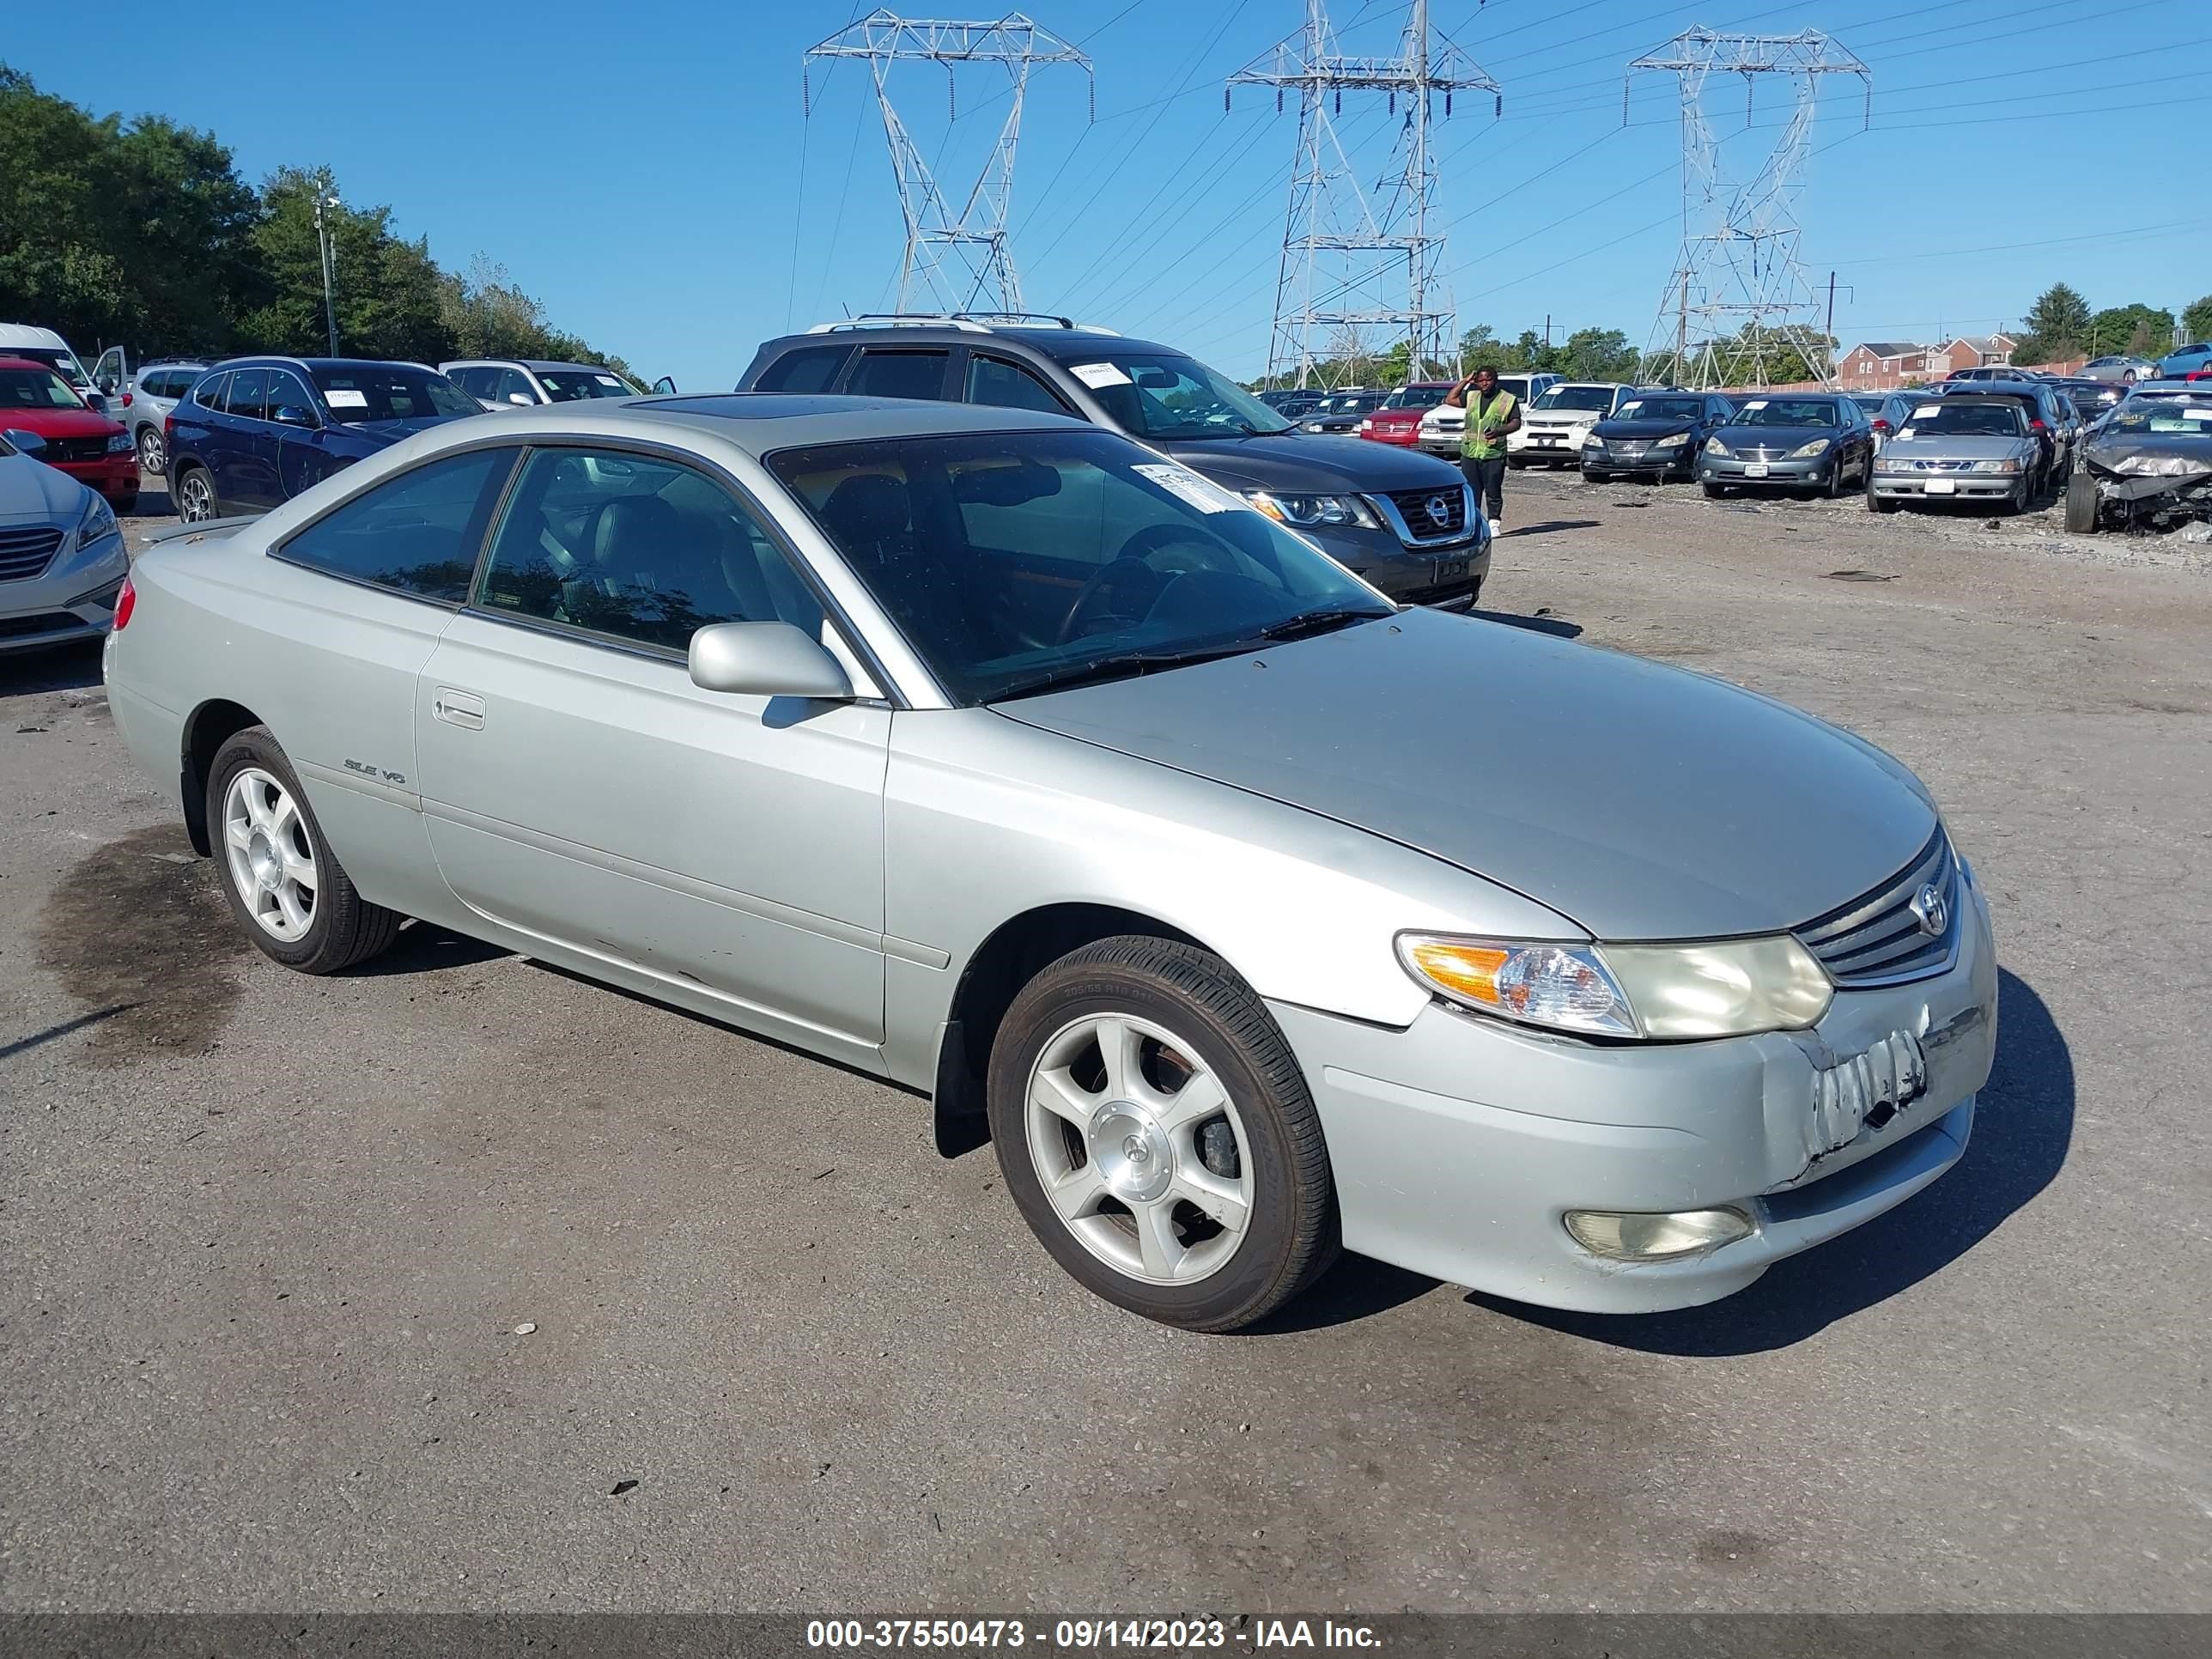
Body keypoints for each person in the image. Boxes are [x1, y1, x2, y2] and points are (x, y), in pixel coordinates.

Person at [1446, 366, 1520, 529]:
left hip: (1493, 453)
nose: (1484, 383)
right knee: (1472, 492)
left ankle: (1494, 522)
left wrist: (1499, 430)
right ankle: (1474, 522)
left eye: (1488, 379)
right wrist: (1464, 381)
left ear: (1495, 380)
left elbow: (1516, 422)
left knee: (1493, 490)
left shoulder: (1507, 400)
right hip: (1470, 453)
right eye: (1480, 380)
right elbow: (1450, 399)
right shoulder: (1472, 396)